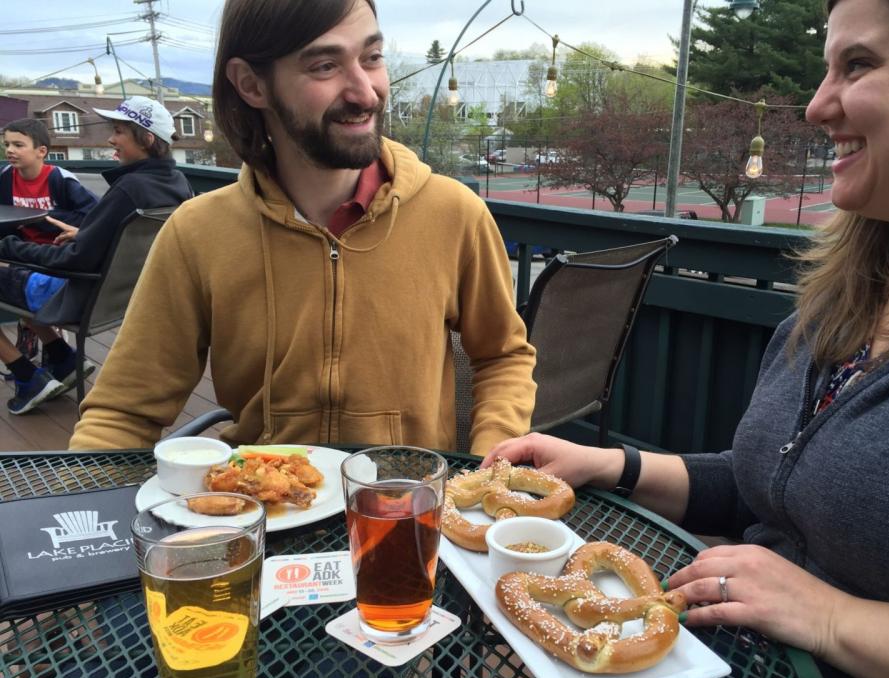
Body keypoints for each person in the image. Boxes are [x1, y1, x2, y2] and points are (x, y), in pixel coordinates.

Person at [485, 1, 889, 678]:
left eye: (857, 65)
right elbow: (773, 485)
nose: (818, 106)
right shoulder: (834, 311)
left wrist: (829, 617)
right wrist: (613, 463)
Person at [69, 0, 535, 454]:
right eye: (324, 66)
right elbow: (122, 413)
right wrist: (71, 518)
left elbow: (502, 357)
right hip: (261, 513)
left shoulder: (454, 213)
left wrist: (488, 464)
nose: (366, 92)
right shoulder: (196, 233)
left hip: (404, 513)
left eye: (371, 58)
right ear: (252, 85)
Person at [0, 96, 193, 414]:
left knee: (10, 274)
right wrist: (85, 235)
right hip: (120, 296)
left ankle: (26, 377)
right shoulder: (177, 183)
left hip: (76, 295)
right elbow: (118, 240)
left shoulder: (128, 189)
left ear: (145, 139)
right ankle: (61, 357)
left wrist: (8, 248)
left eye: (118, 131)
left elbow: (72, 261)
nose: (110, 139)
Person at [1, 117, 99, 384]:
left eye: (18, 145)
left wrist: (41, 217)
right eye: (7, 144)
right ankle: (61, 357)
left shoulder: (59, 180)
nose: (10, 150)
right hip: (27, 258)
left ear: (41, 151)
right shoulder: (5, 179)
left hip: (56, 263)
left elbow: (94, 216)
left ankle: (29, 376)